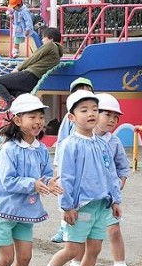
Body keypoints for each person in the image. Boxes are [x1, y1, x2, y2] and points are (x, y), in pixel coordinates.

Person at [32, 90, 122, 266]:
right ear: (71, 117)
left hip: (102, 205)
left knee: (95, 248)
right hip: (80, 207)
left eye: (94, 109)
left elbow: (111, 173)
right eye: (84, 110)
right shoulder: (69, 145)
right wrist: (67, 206)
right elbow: (66, 178)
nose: (91, 113)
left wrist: (116, 200)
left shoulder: (102, 144)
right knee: (73, 249)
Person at [0, 94, 63, 266]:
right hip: (4, 211)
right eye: (32, 117)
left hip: (26, 212)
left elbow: (45, 174)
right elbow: (8, 181)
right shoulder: (9, 149)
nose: (38, 121)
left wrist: (49, 183)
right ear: (18, 120)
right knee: (7, 257)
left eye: (40, 116)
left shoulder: (41, 149)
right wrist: (33, 184)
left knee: (25, 257)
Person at [87, 93, 138, 266]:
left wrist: (119, 185)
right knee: (83, 239)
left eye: (115, 117)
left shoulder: (114, 142)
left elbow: (123, 168)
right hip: (85, 200)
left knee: (115, 232)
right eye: (106, 114)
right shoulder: (82, 140)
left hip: (108, 200)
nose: (111, 120)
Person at [50, 76, 94, 244]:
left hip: (85, 165)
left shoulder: (92, 118)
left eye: (87, 89)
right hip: (68, 162)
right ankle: (64, 226)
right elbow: (62, 141)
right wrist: (57, 163)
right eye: (79, 90)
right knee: (66, 192)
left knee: (84, 197)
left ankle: (86, 226)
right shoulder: (71, 119)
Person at [0, 27, 63, 112]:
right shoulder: (58, 53)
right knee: (13, 90)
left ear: (50, 39)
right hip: (34, 81)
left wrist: (18, 68)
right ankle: (16, 102)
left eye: (44, 37)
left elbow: (34, 57)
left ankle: (10, 102)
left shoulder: (50, 45)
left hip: (29, 74)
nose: (42, 40)